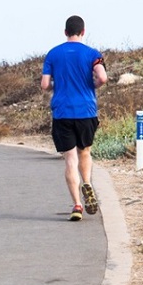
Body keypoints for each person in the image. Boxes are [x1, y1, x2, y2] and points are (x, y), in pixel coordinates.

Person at [40, 15, 108, 221]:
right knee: (85, 152)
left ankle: (77, 205)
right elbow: (103, 77)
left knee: (70, 159)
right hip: (86, 110)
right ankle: (87, 181)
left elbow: (44, 85)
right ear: (83, 31)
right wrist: (93, 85)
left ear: (65, 32)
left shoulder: (53, 54)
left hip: (62, 112)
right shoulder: (92, 54)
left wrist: (56, 86)